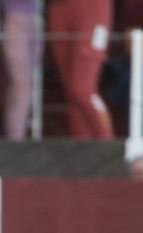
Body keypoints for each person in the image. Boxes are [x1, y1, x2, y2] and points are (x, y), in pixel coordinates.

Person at [47, 0, 115, 138]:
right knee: (72, 92)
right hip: (58, 7)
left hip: (93, 8)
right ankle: (83, 152)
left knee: (83, 89)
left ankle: (109, 144)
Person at [1, 0, 44, 138]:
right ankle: (16, 138)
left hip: (34, 17)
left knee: (24, 85)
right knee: (21, 86)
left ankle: (17, 136)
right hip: (14, 16)